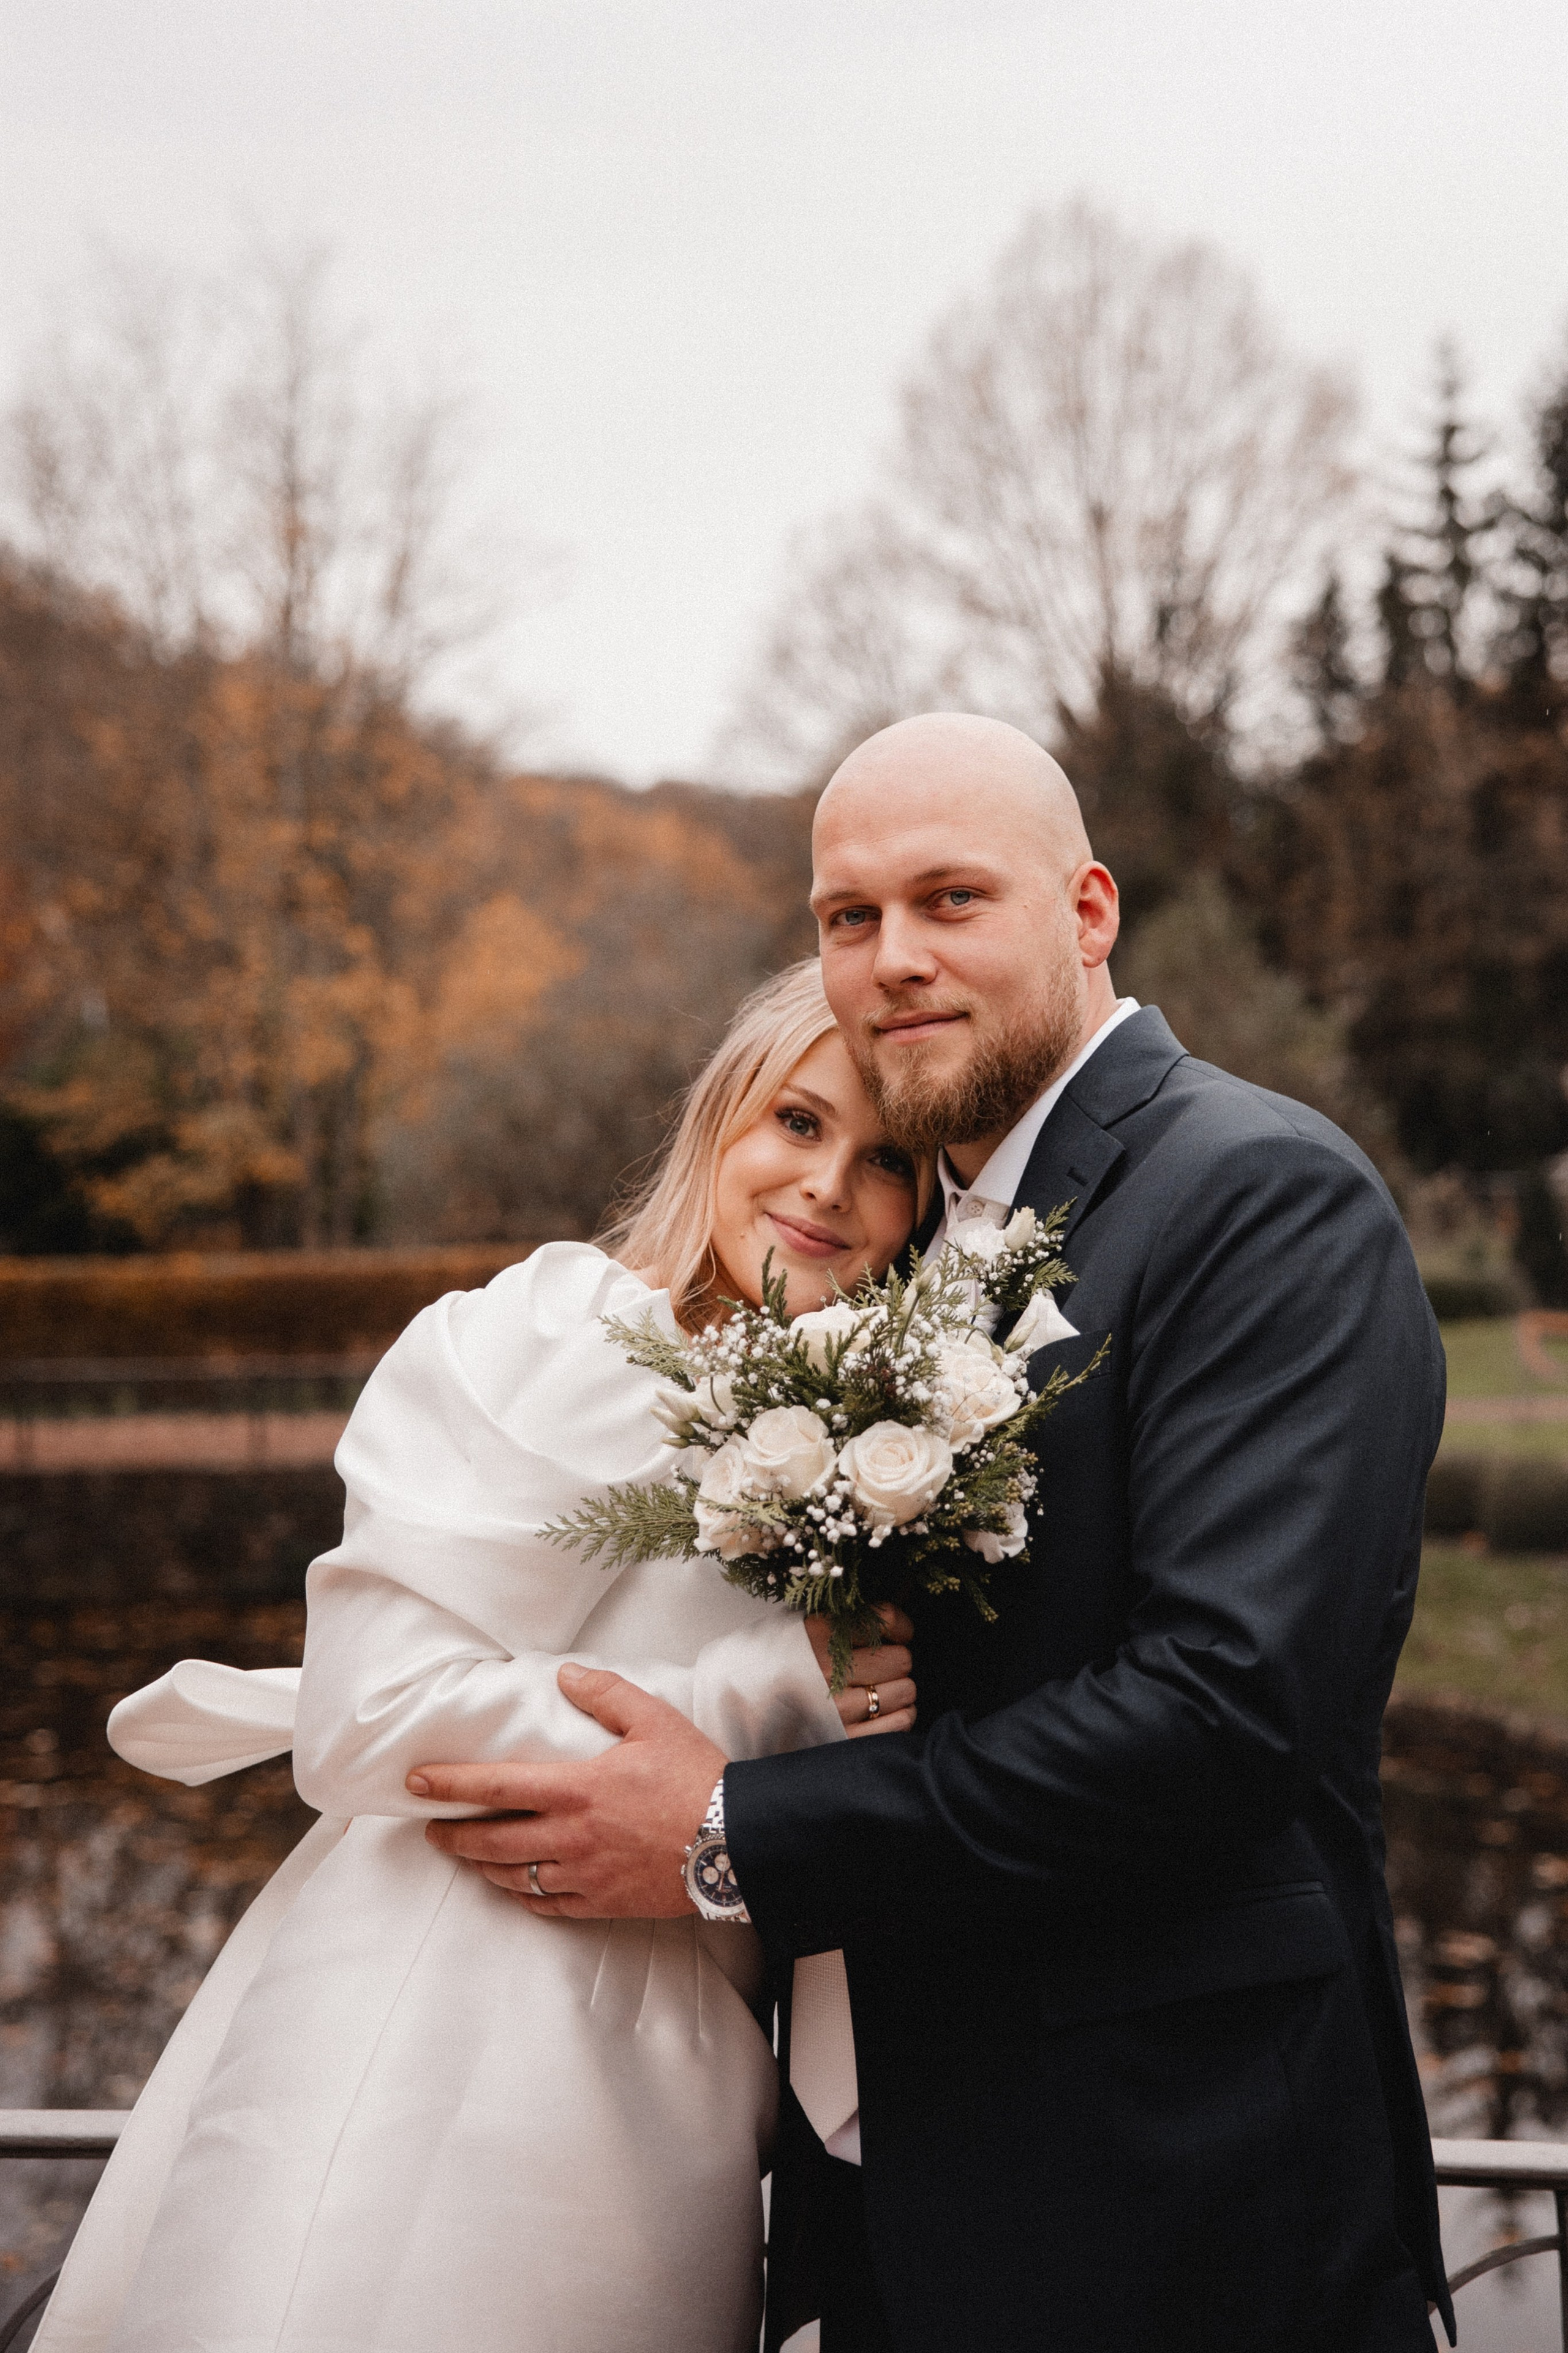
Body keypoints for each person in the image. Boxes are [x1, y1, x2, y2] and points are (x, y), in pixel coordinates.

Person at [416, 713, 1453, 2353]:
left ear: (1089, 910)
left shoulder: (1256, 1194)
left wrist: (729, 1830)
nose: (893, 958)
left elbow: (1223, 1710)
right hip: (886, 2207)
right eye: (848, 917)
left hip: (1177, 2210)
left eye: (952, 899)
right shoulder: (901, 1248)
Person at [33, 960, 925, 2353]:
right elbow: (367, 1718)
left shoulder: (906, 1453)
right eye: (796, 1124)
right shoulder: (548, 1335)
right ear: (717, 1126)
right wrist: (781, 1694)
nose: (824, 1185)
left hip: (689, 2082)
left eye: (884, 1164)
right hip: (441, 1997)